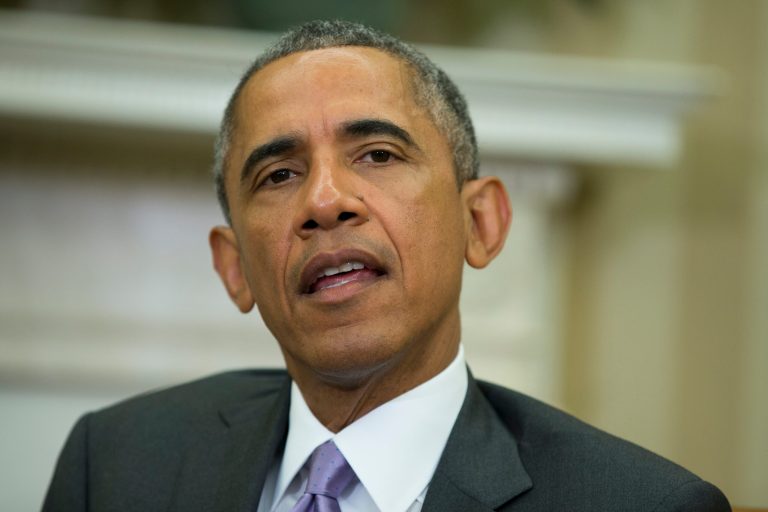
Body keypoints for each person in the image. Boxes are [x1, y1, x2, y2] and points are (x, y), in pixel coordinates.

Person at [43, 20, 731, 512]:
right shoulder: (115, 465)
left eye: (377, 154)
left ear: (481, 223)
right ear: (235, 270)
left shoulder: (638, 503)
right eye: (279, 174)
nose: (324, 201)